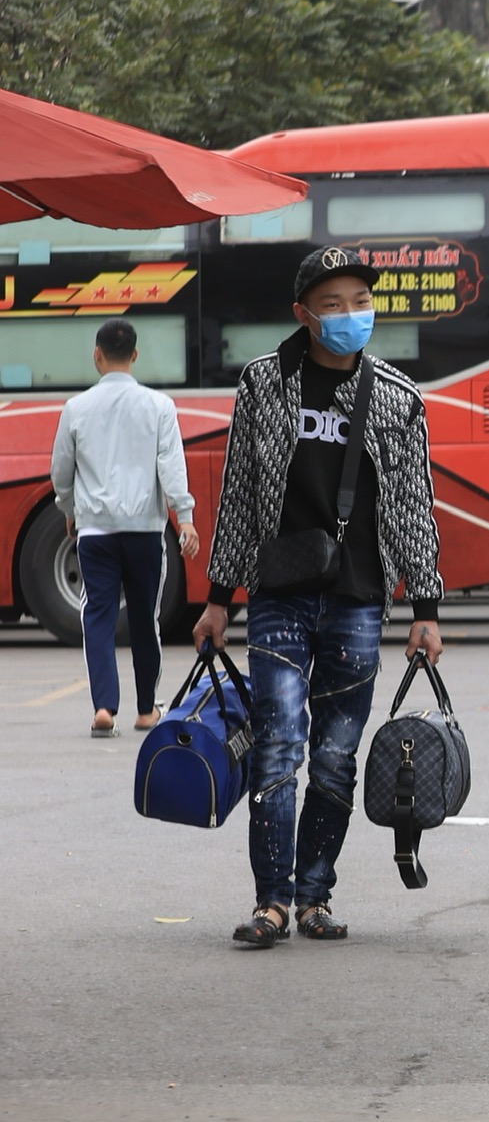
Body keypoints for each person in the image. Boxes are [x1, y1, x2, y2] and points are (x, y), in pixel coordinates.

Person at [194, 246, 446, 951]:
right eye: (332, 305)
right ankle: (271, 900)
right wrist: (218, 599)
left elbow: (413, 507)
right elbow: (238, 496)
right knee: (278, 748)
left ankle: (314, 895)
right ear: (303, 314)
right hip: (280, 594)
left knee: (336, 756)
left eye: (360, 302)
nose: (348, 316)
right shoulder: (263, 386)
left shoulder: (397, 397)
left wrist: (426, 607)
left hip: (359, 599)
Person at [49, 317, 198, 738]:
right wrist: (184, 518)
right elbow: (171, 465)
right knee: (145, 618)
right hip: (144, 531)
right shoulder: (159, 406)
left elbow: (61, 471)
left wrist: (69, 508)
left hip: (95, 532)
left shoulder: (75, 408)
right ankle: (147, 709)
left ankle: (103, 707)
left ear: (97, 355)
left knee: (96, 614)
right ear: (135, 355)